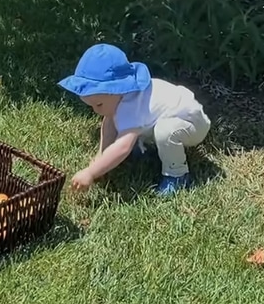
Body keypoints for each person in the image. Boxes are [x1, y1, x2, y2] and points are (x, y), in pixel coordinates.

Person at [59, 43, 211, 196]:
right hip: (168, 116)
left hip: (193, 124)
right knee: (151, 127)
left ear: (115, 91)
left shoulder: (131, 106)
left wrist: (91, 173)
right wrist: (102, 155)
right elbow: (109, 123)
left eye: (98, 104)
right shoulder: (120, 97)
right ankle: (144, 150)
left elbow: (122, 147)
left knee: (165, 132)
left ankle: (178, 175)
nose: (96, 110)